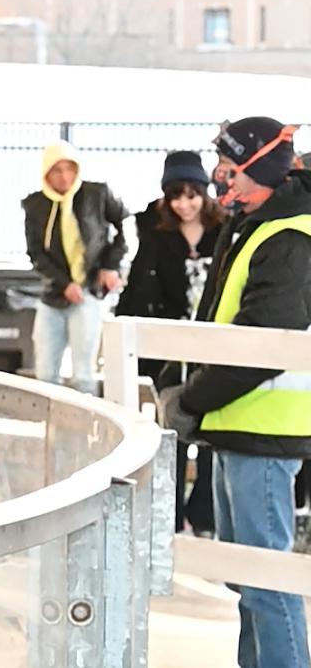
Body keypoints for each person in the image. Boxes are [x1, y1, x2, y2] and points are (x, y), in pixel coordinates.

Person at [162, 117, 310, 668]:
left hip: (265, 427)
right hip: (234, 422)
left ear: (260, 168)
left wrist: (192, 398)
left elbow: (262, 341)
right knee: (248, 580)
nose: (219, 178)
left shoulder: (289, 235)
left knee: (268, 581)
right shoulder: (251, 222)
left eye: (231, 167)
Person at [118, 150, 222, 535]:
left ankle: (205, 516)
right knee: (170, 433)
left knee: (214, 431)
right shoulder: (157, 235)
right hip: (169, 349)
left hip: (215, 347)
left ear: (204, 193)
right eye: (175, 195)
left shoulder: (224, 230)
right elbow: (139, 289)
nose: (184, 204)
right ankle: (171, 518)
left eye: (192, 194)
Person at [21, 142, 129, 394]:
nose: (64, 177)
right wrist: (63, 283)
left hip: (88, 293)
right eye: (56, 170)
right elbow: (36, 253)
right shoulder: (35, 205)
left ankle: (85, 431)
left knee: (83, 373)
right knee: (46, 372)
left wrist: (110, 266)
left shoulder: (96, 194)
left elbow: (125, 226)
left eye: (70, 168)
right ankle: (49, 428)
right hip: (53, 295)